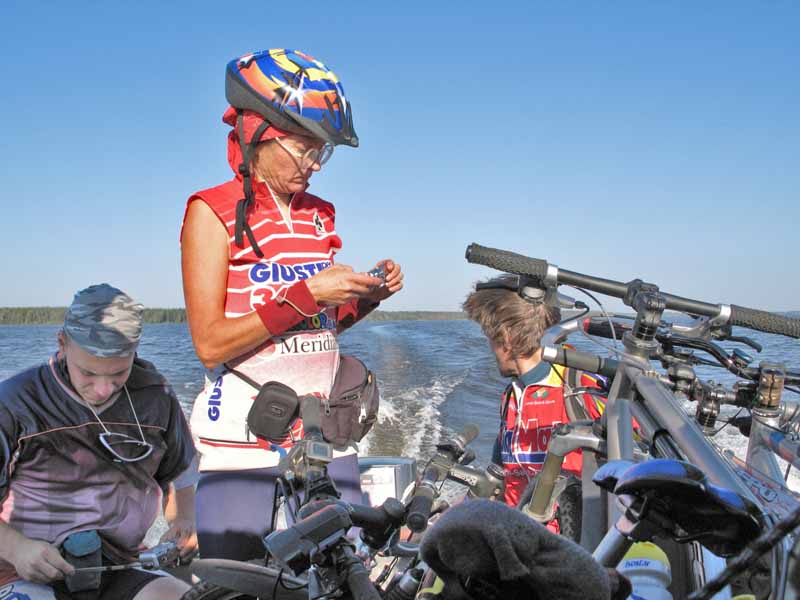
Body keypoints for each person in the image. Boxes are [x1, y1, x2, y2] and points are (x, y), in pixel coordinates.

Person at [180, 48, 403, 560]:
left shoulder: (319, 215)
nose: (315, 165)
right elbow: (209, 344)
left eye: (322, 152)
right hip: (243, 445)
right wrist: (309, 294)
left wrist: (365, 298)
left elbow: (313, 326)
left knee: (343, 572)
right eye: (304, 149)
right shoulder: (210, 212)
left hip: (323, 437)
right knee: (238, 580)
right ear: (256, 133)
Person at [0, 284, 197, 600]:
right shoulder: (14, 401)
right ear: (62, 344)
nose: (104, 389)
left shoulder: (156, 396)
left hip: (121, 564)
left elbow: (179, 472)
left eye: (118, 373)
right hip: (22, 570)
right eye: (88, 373)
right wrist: (16, 548)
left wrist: (184, 520)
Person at [463, 276, 606, 510]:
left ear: (506, 337)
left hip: (574, 529)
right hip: (517, 526)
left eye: (489, 338)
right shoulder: (511, 395)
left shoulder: (585, 384)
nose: (490, 347)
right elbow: (499, 477)